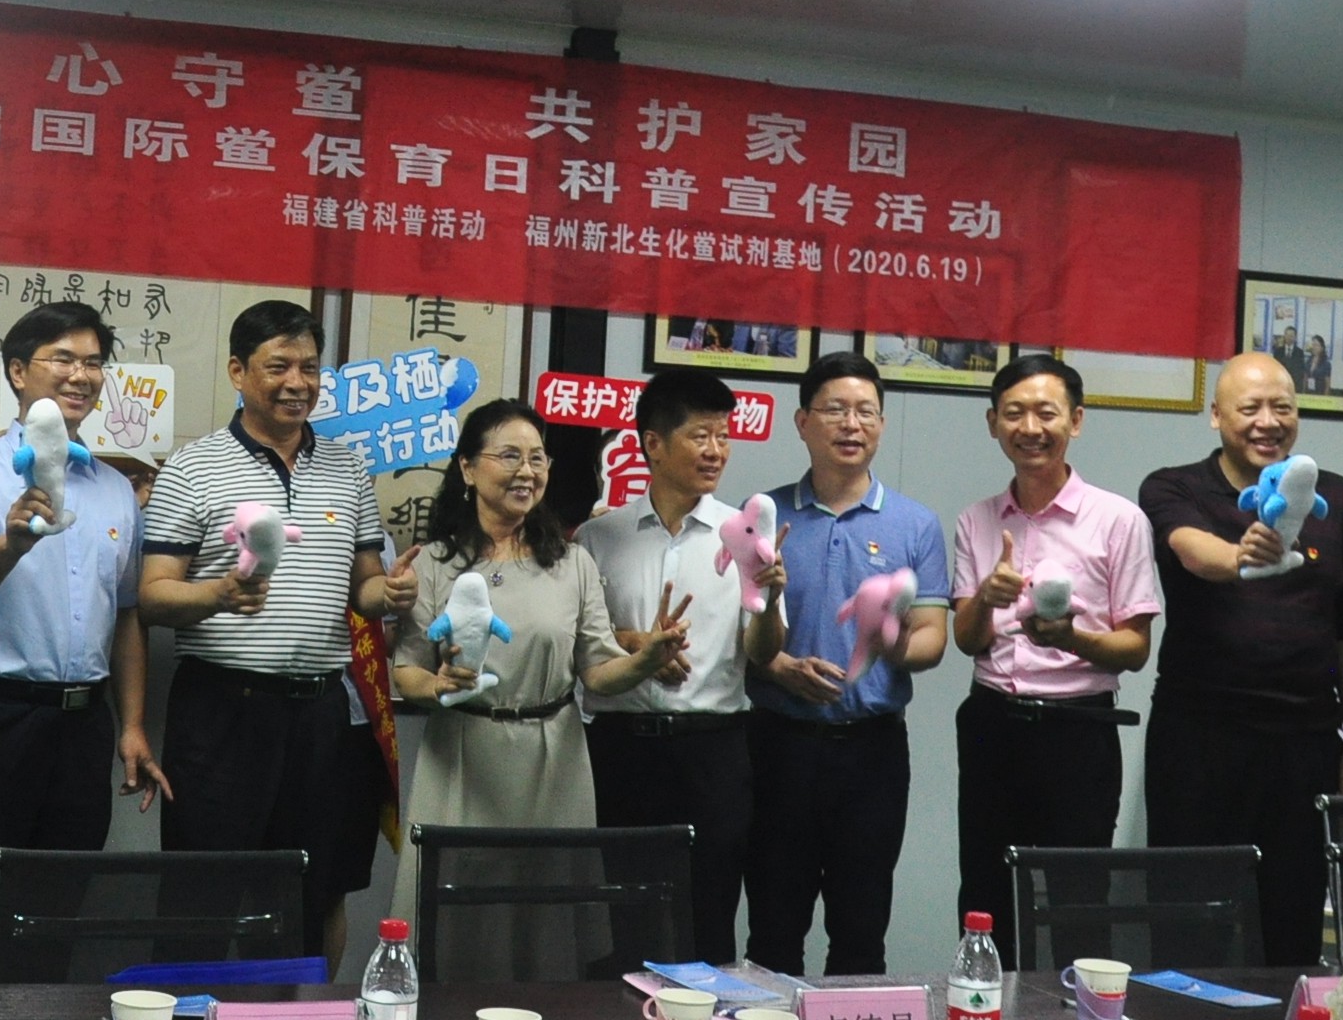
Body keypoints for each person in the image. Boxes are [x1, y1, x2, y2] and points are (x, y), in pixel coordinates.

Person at [140, 301, 410, 955]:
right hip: (222, 712)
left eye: (310, 368)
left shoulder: (348, 470)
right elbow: (151, 597)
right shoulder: (193, 467)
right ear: (238, 371)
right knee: (202, 896)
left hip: (321, 717)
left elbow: (364, 588)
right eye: (279, 366)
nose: (298, 383)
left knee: (305, 899)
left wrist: (393, 593)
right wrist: (218, 594)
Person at [388, 401, 681, 977]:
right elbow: (407, 671)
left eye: (537, 458)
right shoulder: (434, 564)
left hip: (555, 759)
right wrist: (439, 685)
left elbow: (598, 670)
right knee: (459, 923)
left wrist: (644, 661)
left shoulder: (573, 563)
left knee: (548, 926)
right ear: (468, 468)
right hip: (464, 757)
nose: (527, 471)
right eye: (510, 456)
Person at [0, 303, 163, 979]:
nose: (80, 375)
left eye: (93, 363)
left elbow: (128, 615)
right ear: (18, 372)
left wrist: (132, 724)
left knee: (60, 905)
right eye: (63, 359)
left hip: (84, 724)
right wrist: (13, 542)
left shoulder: (115, 490)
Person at [1140, 353, 1343, 969]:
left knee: (1291, 927)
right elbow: (1191, 551)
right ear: (1216, 416)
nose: (1267, 422)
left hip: (1305, 745)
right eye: (1250, 408)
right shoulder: (1173, 486)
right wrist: (1243, 556)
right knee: (1189, 925)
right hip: (1199, 742)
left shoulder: (1334, 496)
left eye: (1282, 407)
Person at [947, 353, 1160, 970]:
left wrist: (1071, 639)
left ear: (1076, 420)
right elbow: (966, 640)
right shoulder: (976, 520)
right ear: (993, 422)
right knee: (983, 892)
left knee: (1078, 898)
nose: (1030, 428)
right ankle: (984, 1015)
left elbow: (1135, 648)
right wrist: (986, 601)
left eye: (1046, 412)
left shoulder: (1119, 520)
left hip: (1079, 730)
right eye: (1014, 413)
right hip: (992, 723)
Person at [744, 352, 950, 977]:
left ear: (882, 424)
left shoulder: (915, 524)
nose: (851, 424)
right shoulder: (764, 516)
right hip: (778, 745)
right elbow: (741, 640)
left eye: (866, 411)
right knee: (773, 930)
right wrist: (780, 666)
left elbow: (933, 641)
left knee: (861, 933)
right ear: (803, 422)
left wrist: (886, 639)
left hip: (872, 753)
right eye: (835, 409)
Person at [578, 369, 783, 965]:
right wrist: (635, 647)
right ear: (653, 444)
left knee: (709, 914)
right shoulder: (598, 537)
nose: (716, 450)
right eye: (700, 436)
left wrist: (769, 597)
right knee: (625, 914)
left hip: (713, 750)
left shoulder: (744, 536)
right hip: (620, 749)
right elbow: (578, 641)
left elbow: (763, 651)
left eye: (723, 436)